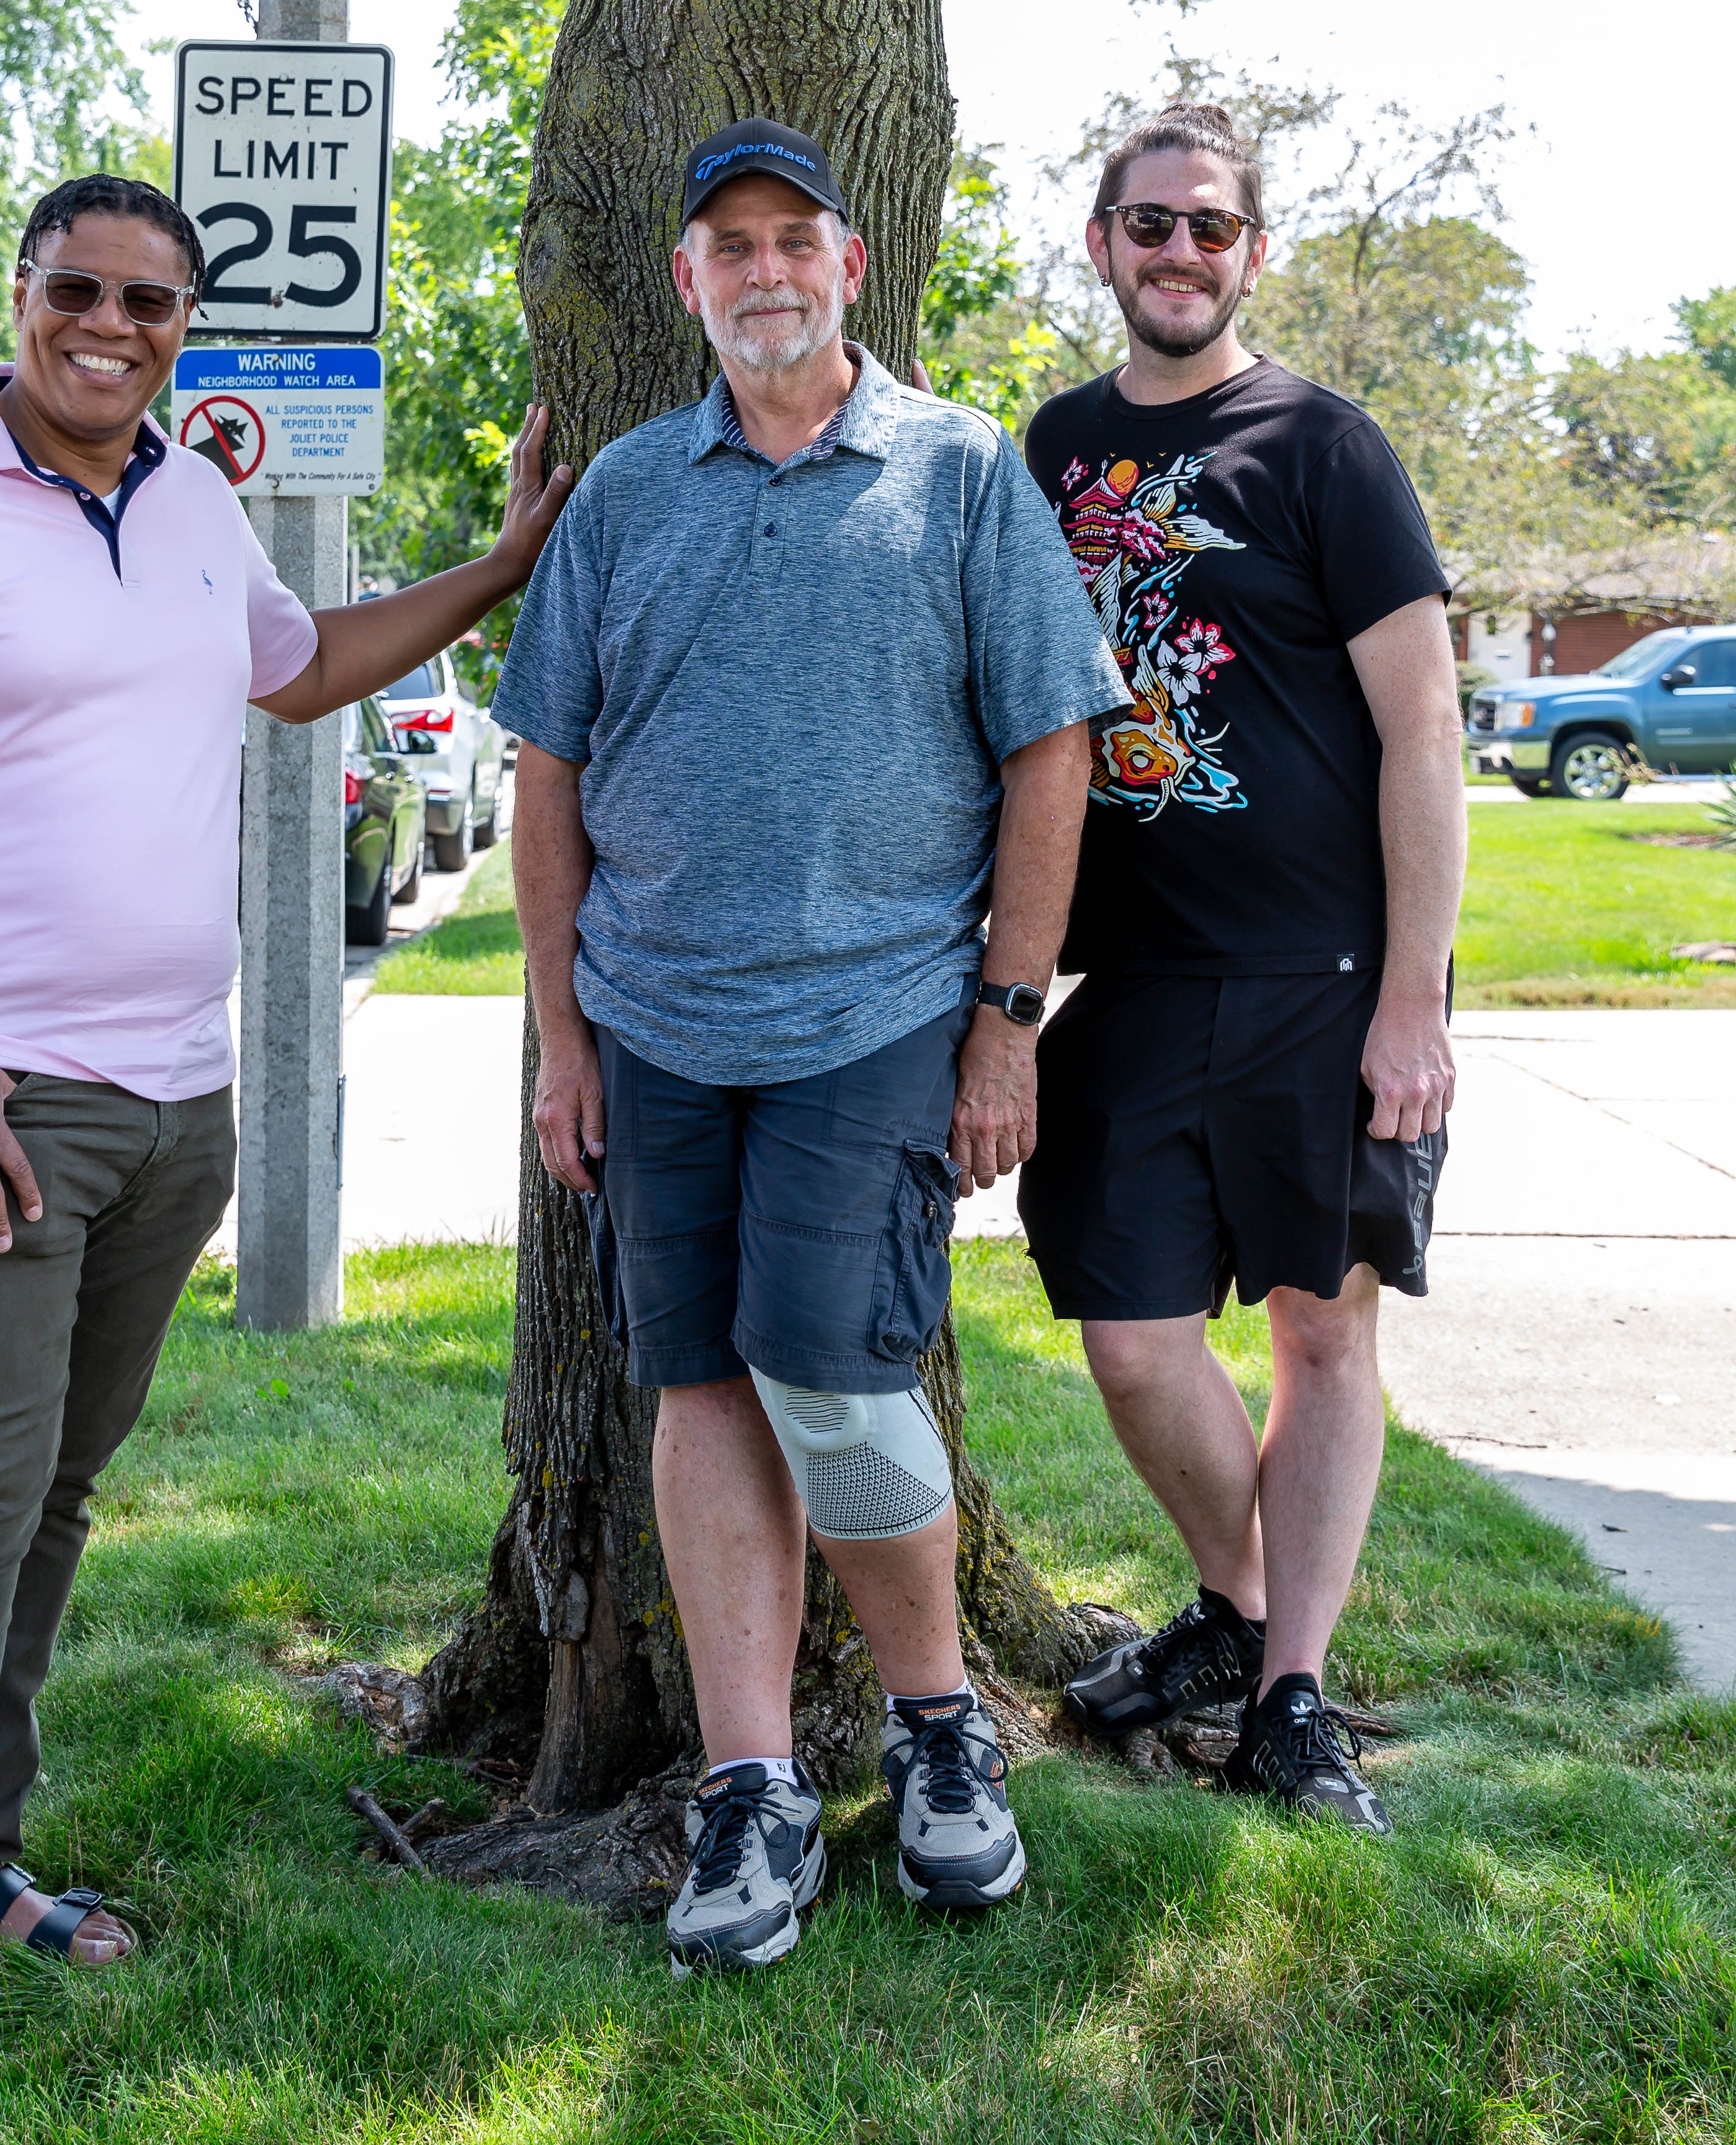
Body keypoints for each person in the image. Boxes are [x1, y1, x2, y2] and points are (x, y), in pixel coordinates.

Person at [0, 173, 568, 2123]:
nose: (112, 325)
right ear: (20, 298)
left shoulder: (192, 501)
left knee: (45, 1504)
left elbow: (296, 666)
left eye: (151, 302)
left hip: (164, 1107)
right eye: (79, 291)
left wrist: (508, 551)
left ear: (187, 327)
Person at [498, 119, 1124, 1975]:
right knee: (695, 1384)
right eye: (727, 249)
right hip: (655, 1020)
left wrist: (1006, 1018)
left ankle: (938, 1731)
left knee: (832, 1379)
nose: (762, 270)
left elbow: (1049, 752)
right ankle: (750, 1782)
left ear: (850, 266)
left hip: (876, 1011)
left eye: (794, 239)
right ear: (686, 284)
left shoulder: (954, 475)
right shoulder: (624, 492)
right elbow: (548, 774)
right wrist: (560, 1036)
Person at [1014, 103, 1464, 1835]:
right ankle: (1245, 1606)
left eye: (1208, 227)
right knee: (1131, 1339)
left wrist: (1409, 995)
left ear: (1251, 252)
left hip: (1326, 970)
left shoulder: (1323, 447)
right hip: (1121, 977)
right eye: (1148, 225)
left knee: (1317, 1333)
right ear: (1101, 246)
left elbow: (1420, 731)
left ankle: (1290, 1694)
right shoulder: (1047, 454)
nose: (1177, 253)